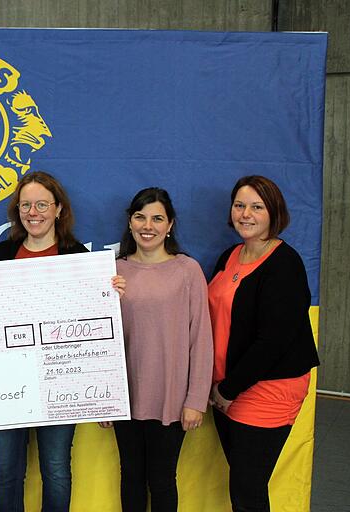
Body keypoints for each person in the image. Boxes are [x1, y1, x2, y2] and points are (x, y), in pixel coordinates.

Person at [208, 175, 320, 512]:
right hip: (226, 384)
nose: (246, 214)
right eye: (240, 205)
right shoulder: (231, 255)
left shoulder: (285, 265)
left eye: (257, 207)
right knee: (243, 483)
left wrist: (228, 390)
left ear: (274, 213)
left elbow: (272, 342)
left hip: (267, 388)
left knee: (248, 488)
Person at [99, 187, 213, 512]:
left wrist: (195, 400)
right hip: (125, 397)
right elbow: (100, 340)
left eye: (157, 218)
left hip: (171, 397)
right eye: (140, 217)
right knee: (131, 475)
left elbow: (201, 338)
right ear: (130, 222)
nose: (148, 225)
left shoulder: (187, 270)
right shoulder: (112, 271)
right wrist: (105, 400)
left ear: (170, 225)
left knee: (162, 479)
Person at [0, 171, 93, 512]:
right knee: (5, 472)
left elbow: (90, 323)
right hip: (6, 381)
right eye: (26, 205)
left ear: (58, 209)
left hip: (60, 382)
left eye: (42, 204)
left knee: (57, 470)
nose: (33, 212)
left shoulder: (77, 257)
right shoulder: (2, 254)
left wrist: (109, 295)